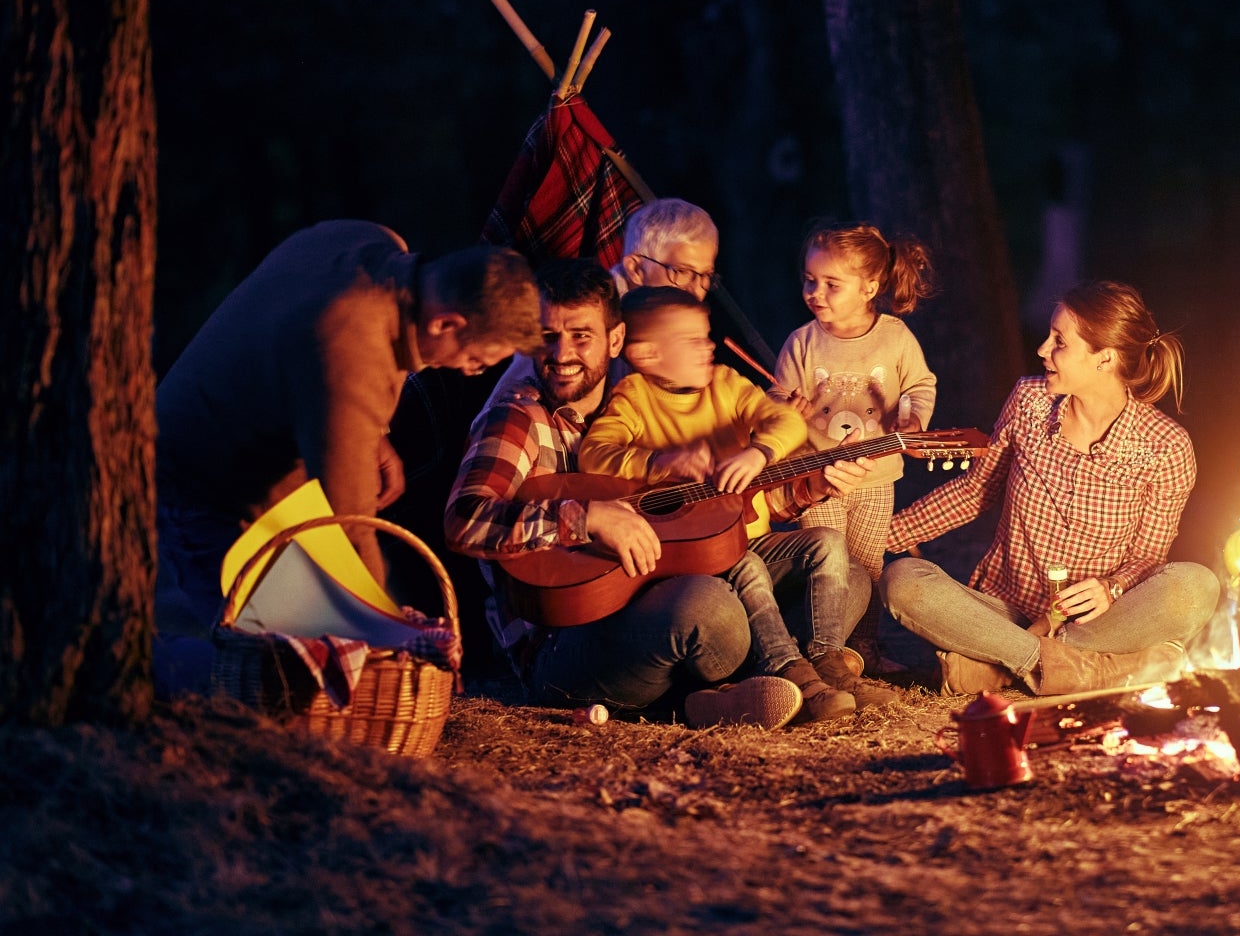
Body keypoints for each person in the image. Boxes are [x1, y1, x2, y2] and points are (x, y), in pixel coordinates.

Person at [154, 219, 541, 693]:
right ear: (445, 323)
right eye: (478, 359)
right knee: (284, 671)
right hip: (205, 479)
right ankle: (130, 672)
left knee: (321, 633)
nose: (469, 370)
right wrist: (386, 640)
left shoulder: (374, 242)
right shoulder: (352, 349)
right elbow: (352, 526)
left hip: (268, 482)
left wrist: (371, 431)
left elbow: (316, 372)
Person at [445, 260, 824, 728]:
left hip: (645, 597)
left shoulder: (634, 405)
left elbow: (693, 519)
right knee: (709, 605)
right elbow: (464, 519)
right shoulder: (518, 419)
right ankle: (708, 695)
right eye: (547, 335)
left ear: (616, 341)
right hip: (565, 638)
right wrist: (586, 518)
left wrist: (812, 485)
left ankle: (710, 698)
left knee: (818, 566)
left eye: (581, 335)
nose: (562, 353)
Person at [880, 280, 1218, 696]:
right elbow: (976, 492)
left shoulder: (1166, 447)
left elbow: (1148, 557)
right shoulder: (1030, 401)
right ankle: (1074, 668)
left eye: (1060, 341)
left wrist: (1111, 589)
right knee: (903, 581)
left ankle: (1006, 663)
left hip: (1095, 625)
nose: (1042, 349)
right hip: (1004, 613)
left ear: (1104, 358)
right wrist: (877, 536)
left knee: (1197, 585)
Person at [581, 286, 896, 719]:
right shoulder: (633, 398)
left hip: (754, 541)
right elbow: (594, 454)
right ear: (647, 354)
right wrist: (660, 461)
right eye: (692, 340)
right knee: (744, 563)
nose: (708, 345)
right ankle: (791, 672)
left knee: (828, 545)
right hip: (698, 561)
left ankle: (828, 663)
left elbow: (783, 418)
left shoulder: (727, 385)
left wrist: (759, 451)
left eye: (706, 335)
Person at [769, 221, 938, 665]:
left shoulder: (895, 337)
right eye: (810, 280)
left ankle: (863, 649)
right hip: (817, 476)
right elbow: (775, 403)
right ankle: (821, 649)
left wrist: (914, 415)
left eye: (831, 284)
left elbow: (920, 384)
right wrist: (791, 411)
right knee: (828, 567)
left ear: (869, 287)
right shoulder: (801, 343)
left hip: (877, 477)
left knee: (868, 565)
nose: (815, 292)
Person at [609, 198, 719, 301]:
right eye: (682, 271)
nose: (697, 293)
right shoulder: (598, 317)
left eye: (706, 275)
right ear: (636, 269)